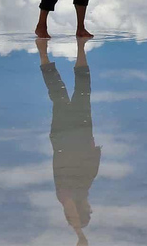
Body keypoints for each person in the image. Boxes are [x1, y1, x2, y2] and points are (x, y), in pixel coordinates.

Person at [37, 37, 100, 246]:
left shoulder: (67, 195)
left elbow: (70, 210)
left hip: (66, 136)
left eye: (88, 212)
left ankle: (43, 53)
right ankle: (80, 48)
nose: (91, 207)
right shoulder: (82, 188)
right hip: (79, 133)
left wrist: (79, 234)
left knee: (59, 94)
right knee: (80, 89)